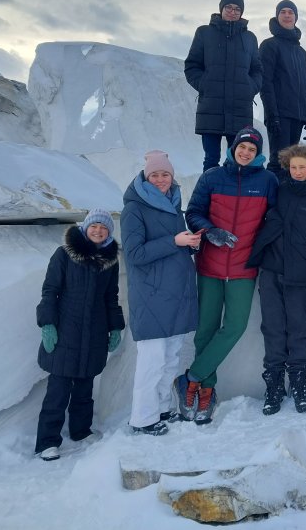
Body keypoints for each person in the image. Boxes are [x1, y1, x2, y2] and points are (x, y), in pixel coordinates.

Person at [178, 128, 278, 424]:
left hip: (244, 267)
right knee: (206, 329)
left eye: (251, 149)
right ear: (233, 147)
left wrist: (259, 246)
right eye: (242, 147)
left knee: (234, 325)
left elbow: (274, 219)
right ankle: (206, 390)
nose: (245, 153)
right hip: (209, 263)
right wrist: (211, 231)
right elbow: (193, 212)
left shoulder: (267, 181)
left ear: (258, 153)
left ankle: (191, 377)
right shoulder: (212, 177)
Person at [247, 144, 306, 415]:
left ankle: (299, 383)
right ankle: (274, 383)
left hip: (303, 274)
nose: (297, 172)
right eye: (293, 167)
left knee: (299, 328)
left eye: (302, 167)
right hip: (272, 270)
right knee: (273, 327)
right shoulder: (282, 191)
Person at [34, 209, 125, 461]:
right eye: (95, 226)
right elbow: (50, 290)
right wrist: (47, 324)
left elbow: (111, 298)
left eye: (104, 228)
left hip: (94, 333)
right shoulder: (64, 254)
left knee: (85, 387)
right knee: (58, 390)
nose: (98, 231)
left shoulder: (109, 261)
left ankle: (81, 431)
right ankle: (47, 442)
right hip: (66, 331)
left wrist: (115, 326)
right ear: (86, 227)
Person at [121, 151, 200, 435]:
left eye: (165, 174)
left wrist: (189, 244)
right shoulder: (134, 209)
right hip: (152, 296)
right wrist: (174, 240)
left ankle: (162, 408)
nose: (160, 180)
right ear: (145, 177)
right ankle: (142, 418)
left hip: (176, 293)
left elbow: (174, 246)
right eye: (154, 175)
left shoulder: (172, 203)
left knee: (170, 359)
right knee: (151, 363)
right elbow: (134, 254)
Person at [185, 0, 263, 172]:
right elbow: (192, 65)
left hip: (240, 108)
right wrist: (205, 85)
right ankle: (208, 199)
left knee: (237, 160)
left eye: (237, 9)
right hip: (211, 106)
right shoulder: (204, 33)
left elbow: (257, 69)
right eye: (229, 7)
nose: (233, 12)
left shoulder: (249, 38)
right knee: (211, 159)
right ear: (221, 8)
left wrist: (250, 88)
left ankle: (234, 199)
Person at [259, 0, 306, 179]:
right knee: (278, 162)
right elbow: (265, 83)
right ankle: (270, 203)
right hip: (280, 114)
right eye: (283, 12)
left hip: (298, 116)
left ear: (296, 18)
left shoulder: (301, 53)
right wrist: (272, 115)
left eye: (290, 12)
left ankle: (287, 203)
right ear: (277, 16)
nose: (287, 15)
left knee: (293, 163)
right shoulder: (269, 46)